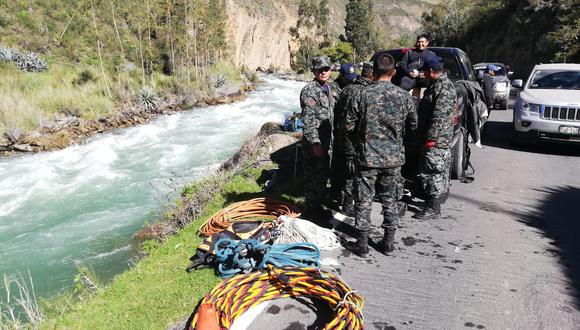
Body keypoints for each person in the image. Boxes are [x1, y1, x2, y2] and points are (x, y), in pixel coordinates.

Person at [345, 53, 418, 257]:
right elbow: (413, 126)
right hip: (393, 159)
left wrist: (361, 138)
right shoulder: (404, 96)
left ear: (374, 73)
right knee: (390, 199)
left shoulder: (361, 94)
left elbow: (348, 125)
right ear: (394, 72)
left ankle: (362, 244)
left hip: (366, 157)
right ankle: (388, 243)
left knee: (364, 200)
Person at [414, 55, 456, 220]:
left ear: (431, 71)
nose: (422, 74)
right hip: (433, 138)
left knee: (433, 172)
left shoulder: (443, 89)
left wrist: (431, 140)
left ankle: (433, 207)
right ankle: (430, 201)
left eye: (424, 71)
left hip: (436, 139)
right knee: (431, 171)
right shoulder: (436, 86)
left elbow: (440, 119)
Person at [330, 62, 374, 216]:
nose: (350, 80)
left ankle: (341, 197)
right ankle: (345, 202)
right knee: (348, 172)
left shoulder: (350, 89)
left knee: (346, 170)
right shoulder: (339, 89)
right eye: (348, 77)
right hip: (346, 138)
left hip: (347, 138)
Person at [300, 56, 335, 221]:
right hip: (316, 142)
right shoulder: (310, 90)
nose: (323, 72)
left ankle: (317, 207)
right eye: (320, 69)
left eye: (326, 69)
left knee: (322, 176)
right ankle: (310, 211)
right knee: (313, 177)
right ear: (313, 70)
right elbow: (307, 120)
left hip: (328, 139)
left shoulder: (329, 88)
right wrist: (314, 143)